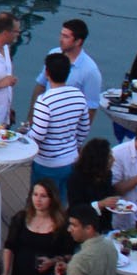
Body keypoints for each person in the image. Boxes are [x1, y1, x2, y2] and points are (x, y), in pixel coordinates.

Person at [26, 51, 87, 193]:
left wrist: (25, 136)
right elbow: (83, 129)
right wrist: (74, 146)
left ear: (47, 72)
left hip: (46, 164)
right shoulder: (78, 95)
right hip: (70, 161)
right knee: (62, 203)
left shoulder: (44, 101)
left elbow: (38, 135)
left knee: (40, 204)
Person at [54, 19, 108, 143]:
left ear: (78, 41)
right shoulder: (53, 54)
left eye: (66, 36)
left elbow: (91, 108)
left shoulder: (90, 71)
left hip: (66, 132)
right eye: (61, 35)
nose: (61, 39)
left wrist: (79, 141)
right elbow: (41, 85)